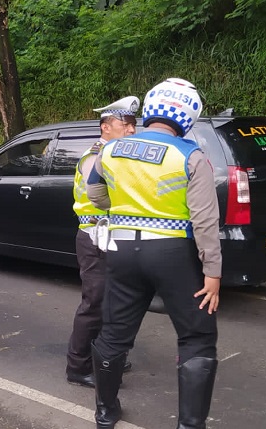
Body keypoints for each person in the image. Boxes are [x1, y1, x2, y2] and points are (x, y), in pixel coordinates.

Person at [86, 78, 221, 429]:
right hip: (172, 251)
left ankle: (105, 412)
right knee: (197, 335)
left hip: (122, 251)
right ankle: (190, 425)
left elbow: (96, 195)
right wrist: (213, 274)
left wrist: (124, 206)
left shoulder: (111, 151)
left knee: (114, 331)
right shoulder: (190, 156)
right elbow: (205, 221)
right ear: (188, 116)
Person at [66, 96, 139, 388]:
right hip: (94, 237)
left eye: (134, 125)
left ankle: (105, 356)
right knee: (94, 303)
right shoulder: (94, 156)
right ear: (106, 127)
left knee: (114, 302)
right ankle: (77, 365)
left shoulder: (121, 156)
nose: (132, 130)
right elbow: (104, 192)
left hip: (113, 237)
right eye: (126, 124)